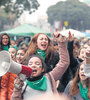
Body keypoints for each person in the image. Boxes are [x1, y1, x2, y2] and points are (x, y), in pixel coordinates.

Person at [11, 33, 69, 100]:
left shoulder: (49, 77)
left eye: (37, 64)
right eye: (30, 64)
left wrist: (61, 43)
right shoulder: (23, 82)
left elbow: (64, 62)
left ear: (43, 69)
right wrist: (17, 88)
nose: (33, 65)